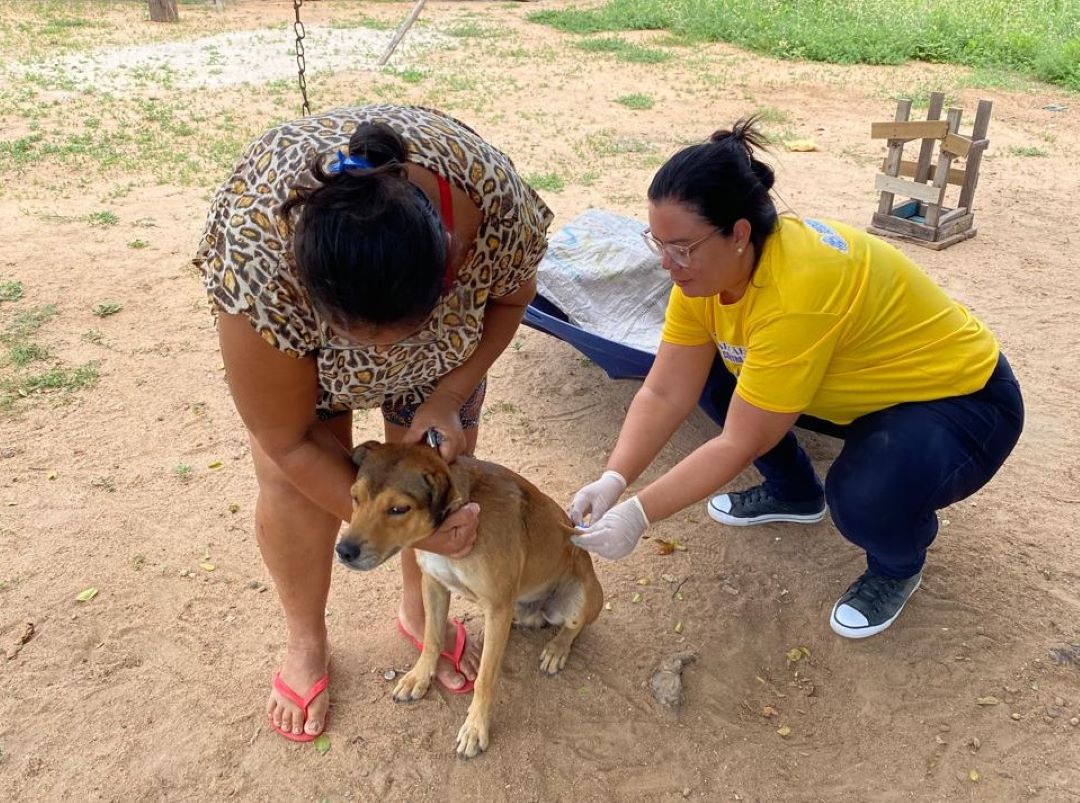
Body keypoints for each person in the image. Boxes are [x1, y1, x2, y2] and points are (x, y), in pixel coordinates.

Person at [569, 119, 1023, 639]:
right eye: (659, 243)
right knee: (714, 371)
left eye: (683, 248)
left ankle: (898, 566)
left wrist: (637, 515)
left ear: (739, 233)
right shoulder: (706, 278)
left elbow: (740, 440)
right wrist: (615, 477)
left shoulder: (796, 292)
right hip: (860, 389)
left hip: (963, 402)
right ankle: (794, 493)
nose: (668, 263)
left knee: (863, 496)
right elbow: (666, 389)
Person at [194, 105, 552, 740]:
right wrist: (386, 515)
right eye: (361, 336)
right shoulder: (258, 251)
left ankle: (422, 606)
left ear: (449, 263)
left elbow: (513, 295)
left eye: (400, 332)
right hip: (309, 364)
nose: (383, 358)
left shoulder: (493, 205)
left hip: (442, 361)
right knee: (294, 484)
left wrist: (448, 394)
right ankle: (306, 640)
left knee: (426, 482)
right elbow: (287, 440)